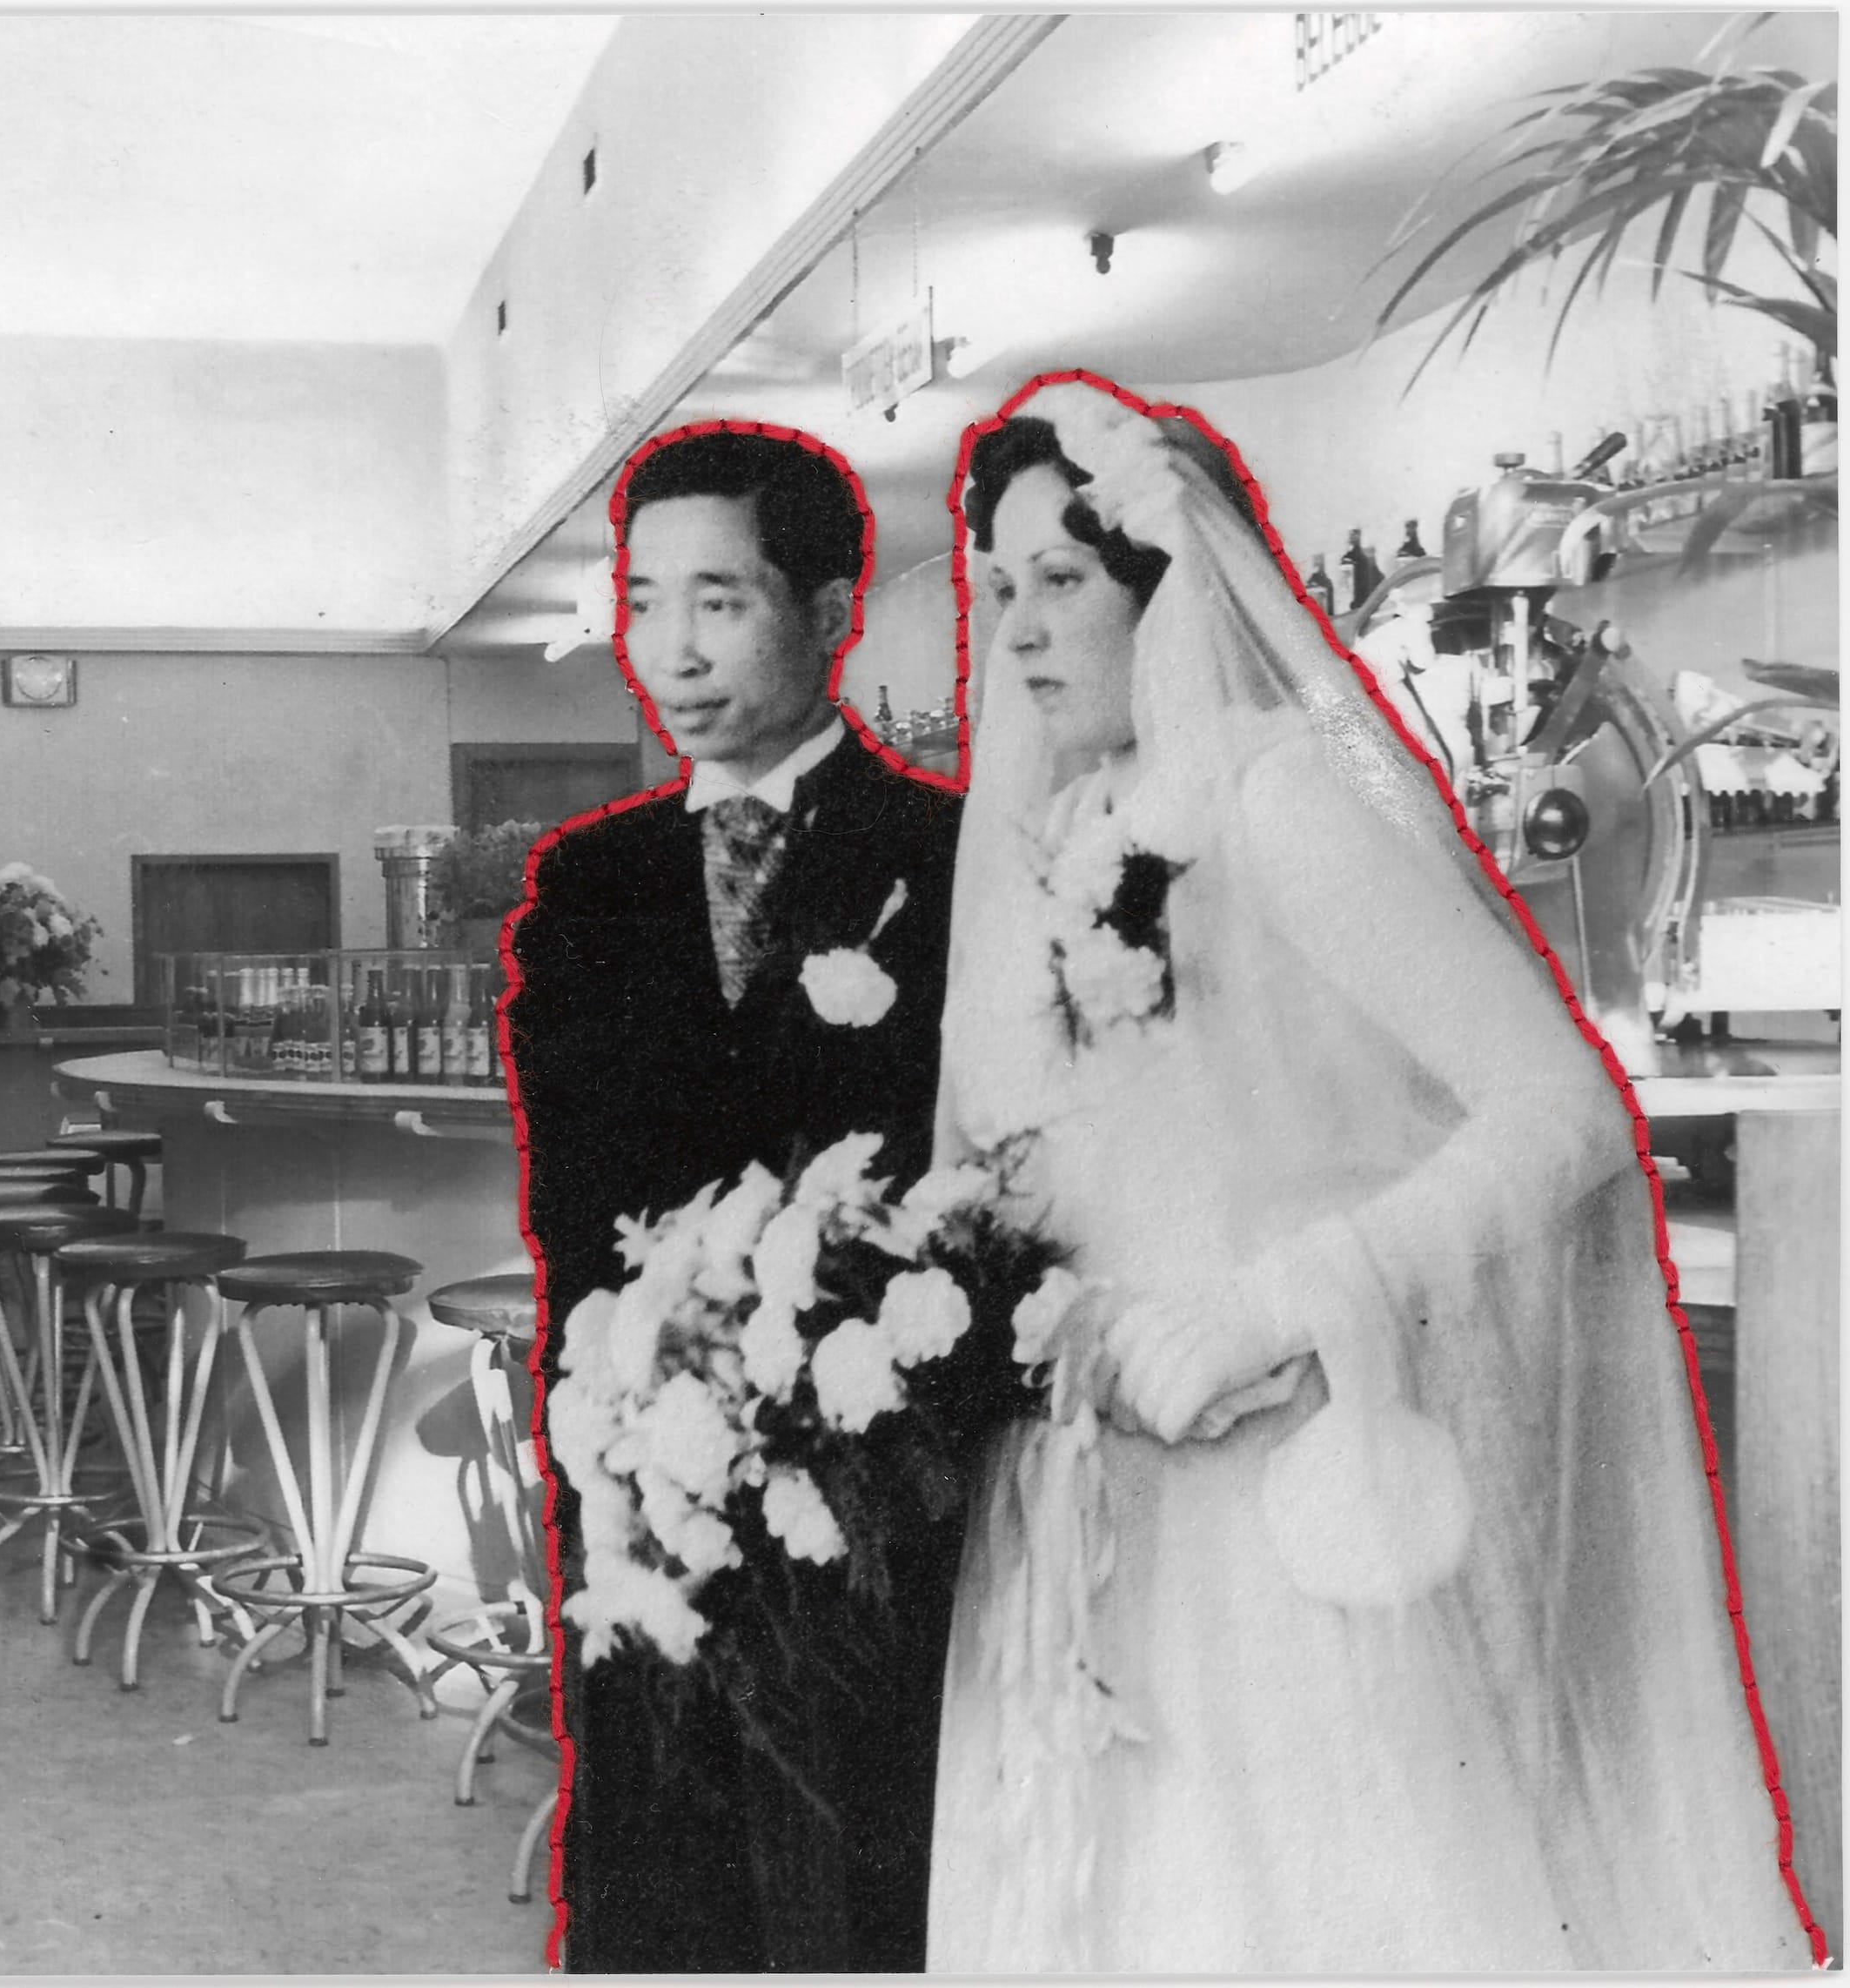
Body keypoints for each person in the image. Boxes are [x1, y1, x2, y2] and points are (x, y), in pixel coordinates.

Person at [925, 378, 1813, 1971]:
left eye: (1062, 581)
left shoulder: (1277, 796)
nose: (1021, 634)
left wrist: (1278, 1304)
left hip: (1261, 1540)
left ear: (1168, 584)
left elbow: (1563, 1114)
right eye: (1001, 592)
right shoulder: (1058, 835)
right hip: (1074, 1514)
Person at [506, 422, 967, 1971]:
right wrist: (633, 1417)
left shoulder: (953, 857)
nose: (670, 653)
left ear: (834, 610)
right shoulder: (588, 883)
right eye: (643, 604)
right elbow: (574, 1203)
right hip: (645, 1455)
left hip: (879, 1476)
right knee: (653, 1853)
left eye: (719, 600)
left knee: (861, 1861)